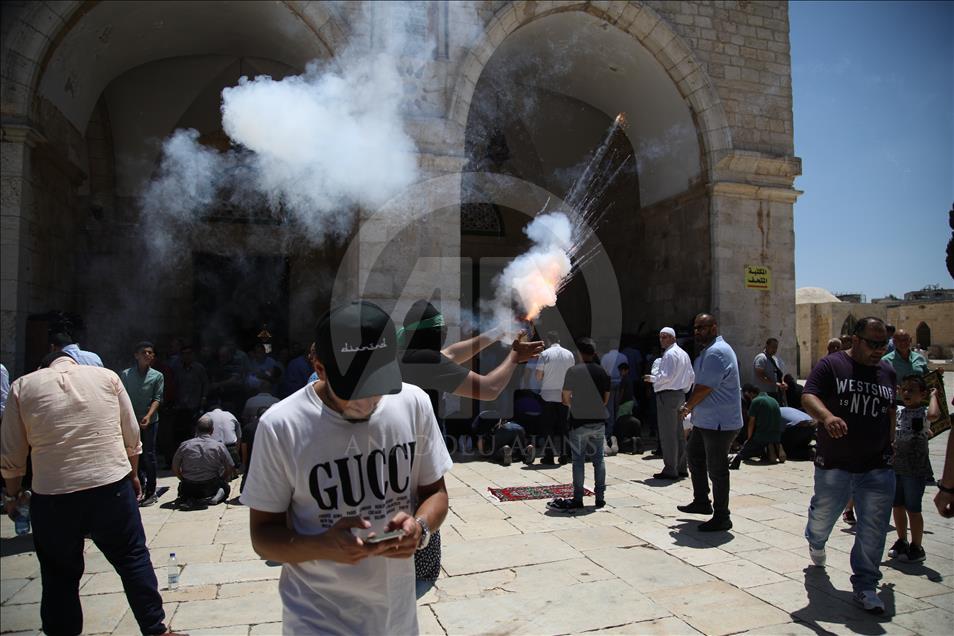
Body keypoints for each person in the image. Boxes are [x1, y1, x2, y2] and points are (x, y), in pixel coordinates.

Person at [241, 300, 452, 635]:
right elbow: (263, 536)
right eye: (354, 389)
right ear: (319, 367)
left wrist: (421, 527)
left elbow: (435, 493)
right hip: (317, 618)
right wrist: (323, 546)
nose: (366, 402)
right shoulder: (281, 426)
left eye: (376, 385)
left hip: (397, 617)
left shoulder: (413, 403)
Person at [1, 352, 178, 635]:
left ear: (42, 366)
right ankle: (155, 628)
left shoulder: (22, 386)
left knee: (59, 574)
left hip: (54, 494)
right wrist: (133, 475)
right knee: (132, 558)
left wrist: (13, 496)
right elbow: (132, 434)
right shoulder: (107, 377)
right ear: (75, 361)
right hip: (111, 486)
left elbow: (12, 451)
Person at [397, 300, 541, 580]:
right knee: (421, 525)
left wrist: (499, 331)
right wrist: (514, 357)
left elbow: (450, 354)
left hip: (395, 452)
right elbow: (489, 389)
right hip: (415, 460)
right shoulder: (426, 361)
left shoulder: (405, 355)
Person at [802, 317, 897, 615]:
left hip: (877, 465)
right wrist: (827, 417)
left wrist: (892, 443)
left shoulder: (887, 372)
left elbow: (890, 410)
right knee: (823, 518)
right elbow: (808, 395)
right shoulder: (832, 365)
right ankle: (816, 542)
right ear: (856, 339)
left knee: (873, 527)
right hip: (835, 464)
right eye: (873, 344)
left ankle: (866, 585)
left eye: (884, 344)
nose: (879, 350)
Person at [676, 313, 742, 532]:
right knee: (694, 456)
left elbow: (705, 388)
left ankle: (722, 515)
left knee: (718, 469)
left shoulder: (716, 353)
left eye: (702, 327)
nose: (697, 332)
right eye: (695, 327)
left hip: (719, 423)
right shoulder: (708, 351)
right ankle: (702, 501)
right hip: (707, 421)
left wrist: (687, 407)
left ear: (714, 328)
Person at [548, 337, 610, 511]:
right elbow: (605, 399)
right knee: (599, 460)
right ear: (594, 353)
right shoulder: (602, 372)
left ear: (579, 353)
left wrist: (575, 404)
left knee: (578, 461)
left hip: (579, 422)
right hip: (598, 421)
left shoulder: (573, 371)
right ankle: (600, 498)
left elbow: (564, 397)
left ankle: (578, 498)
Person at [887, 374, 941, 563]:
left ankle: (917, 546)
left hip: (915, 469)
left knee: (913, 508)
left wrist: (934, 395)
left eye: (912, 390)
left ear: (923, 394)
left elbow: (934, 414)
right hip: (897, 467)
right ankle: (901, 540)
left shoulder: (924, 413)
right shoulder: (899, 411)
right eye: (904, 389)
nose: (907, 393)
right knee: (898, 506)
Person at [120, 341, 164, 507]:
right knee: (132, 454)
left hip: (150, 421)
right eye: (144, 352)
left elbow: (157, 399)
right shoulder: (125, 375)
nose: (147, 355)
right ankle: (139, 487)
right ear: (136, 355)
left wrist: (148, 415)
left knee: (149, 455)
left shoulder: (157, 376)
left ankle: (151, 491)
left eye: (150, 353)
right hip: (130, 421)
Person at [648, 326, 695, 480]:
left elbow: (666, 376)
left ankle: (670, 469)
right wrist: (683, 390)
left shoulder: (669, 354)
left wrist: (652, 378)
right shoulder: (683, 354)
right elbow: (691, 376)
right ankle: (681, 467)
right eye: (661, 337)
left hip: (667, 396)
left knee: (668, 434)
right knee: (679, 433)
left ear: (673, 338)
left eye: (665, 337)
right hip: (680, 394)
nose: (662, 340)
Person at [172, 415, 235, 508]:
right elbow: (230, 466)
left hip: (190, 486)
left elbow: (175, 467)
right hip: (211, 486)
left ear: (196, 429)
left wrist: (183, 479)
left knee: (183, 488)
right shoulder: (218, 446)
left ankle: (188, 498)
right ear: (212, 430)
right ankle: (215, 498)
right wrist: (222, 478)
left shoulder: (184, 445)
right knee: (226, 487)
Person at [534, 330, 575, 464]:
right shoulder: (569, 354)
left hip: (548, 395)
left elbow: (538, 376)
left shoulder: (544, 354)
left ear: (547, 341)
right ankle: (564, 455)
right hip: (564, 395)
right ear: (559, 340)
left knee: (548, 427)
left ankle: (549, 455)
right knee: (564, 426)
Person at [731, 385, 785, 469]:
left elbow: (751, 423)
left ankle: (767, 448)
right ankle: (772, 447)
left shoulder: (756, 401)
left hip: (762, 435)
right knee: (763, 445)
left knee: (743, 454)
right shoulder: (773, 400)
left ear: (751, 393)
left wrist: (748, 439)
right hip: (776, 435)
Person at [170, 343, 209, 454]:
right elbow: (174, 385)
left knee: (195, 430)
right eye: (184, 354)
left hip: (195, 404)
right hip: (180, 405)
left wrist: (204, 397)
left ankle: (197, 453)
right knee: (181, 432)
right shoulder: (177, 368)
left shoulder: (199, 368)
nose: (186, 356)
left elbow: (205, 384)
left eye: (189, 354)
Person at [753, 338, 787, 404]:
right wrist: (775, 383)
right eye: (773, 347)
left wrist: (782, 383)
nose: (774, 350)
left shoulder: (774, 359)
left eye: (776, 347)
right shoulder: (761, 358)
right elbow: (760, 375)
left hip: (774, 392)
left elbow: (777, 374)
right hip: (763, 393)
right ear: (767, 346)